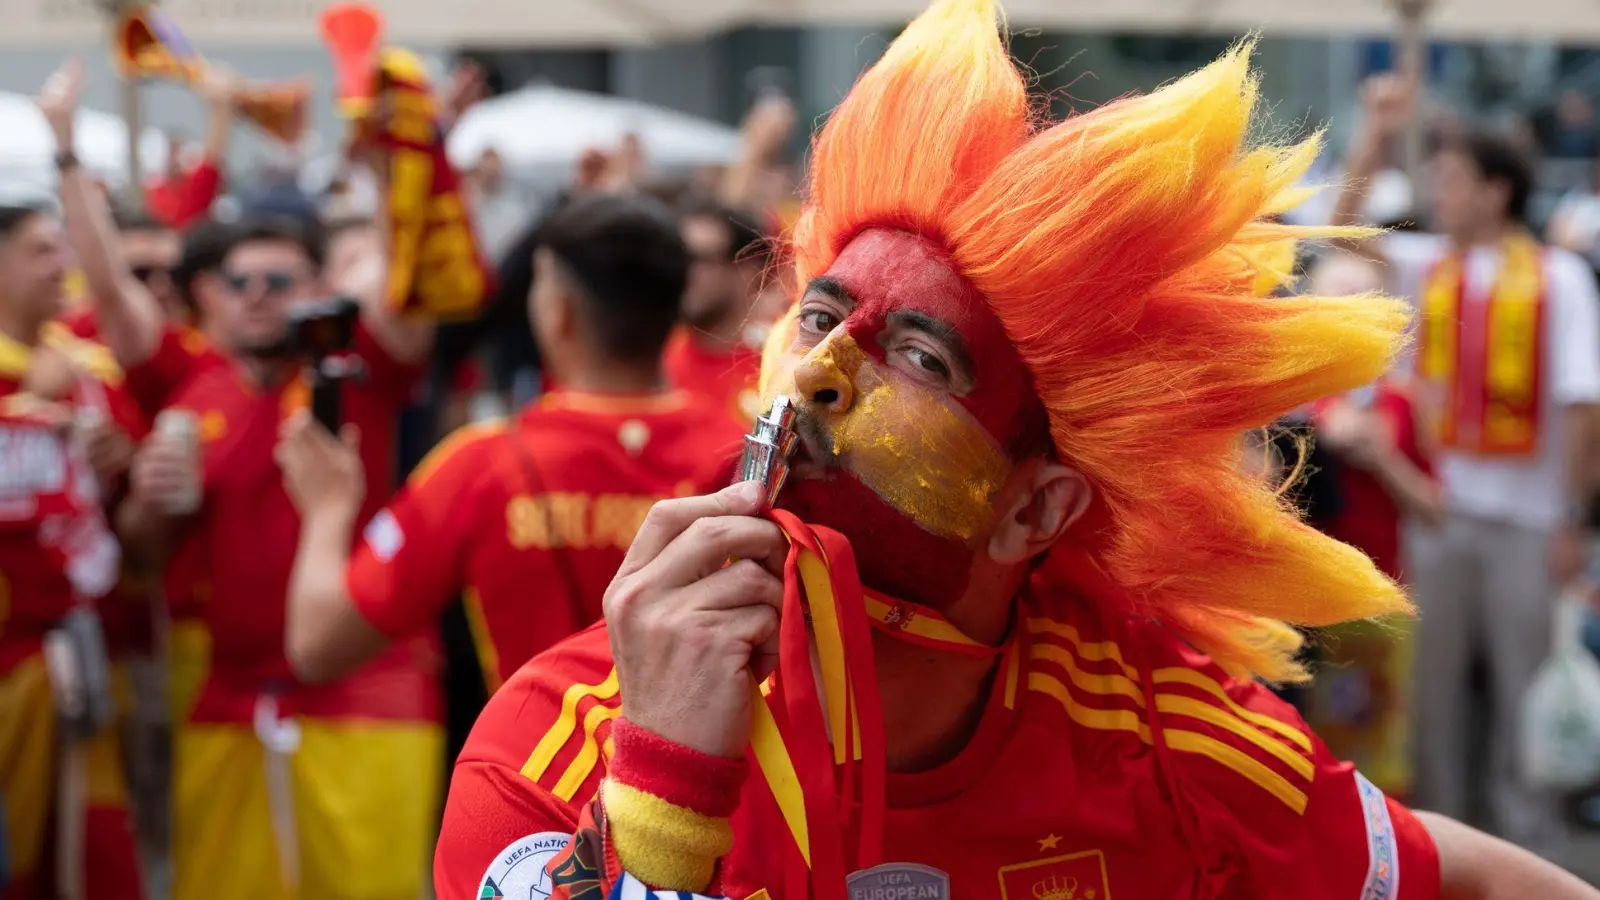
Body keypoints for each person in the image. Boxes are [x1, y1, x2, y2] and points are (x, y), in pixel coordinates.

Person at [433, 3, 1600, 899]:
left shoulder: (1156, 737)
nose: (824, 370)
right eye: (822, 315)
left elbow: (1472, 876)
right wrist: (666, 802)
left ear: (1033, 512)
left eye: (922, 362)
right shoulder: (559, 737)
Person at [274, 193, 746, 692]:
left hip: (533, 765)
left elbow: (317, 643)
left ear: (558, 313)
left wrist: (327, 508)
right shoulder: (743, 456)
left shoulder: (481, 464)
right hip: (712, 763)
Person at [1333, 73, 1600, 858]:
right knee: (1433, 695)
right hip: (1439, 516)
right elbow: (1342, 232)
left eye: (1453, 179)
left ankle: (1529, 853)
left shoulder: (1561, 279)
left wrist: (1575, 523)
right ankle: (1446, 851)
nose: (1438, 192)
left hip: (1528, 525)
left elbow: (1583, 409)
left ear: (1497, 189)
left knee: (1522, 692)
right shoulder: (1428, 268)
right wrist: (1375, 128)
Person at [0, 200, 142, 899]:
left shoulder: (92, 371)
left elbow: (127, 506)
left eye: (63, 248)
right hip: (9, 664)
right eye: (39, 251)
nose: (62, 266)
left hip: (83, 656)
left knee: (92, 854)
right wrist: (27, 404)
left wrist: (123, 463)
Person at [665, 200, 774, 428]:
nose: (681, 272)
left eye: (697, 259)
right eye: (676, 259)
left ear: (748, 270)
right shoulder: (651, 359)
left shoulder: (777, 368)